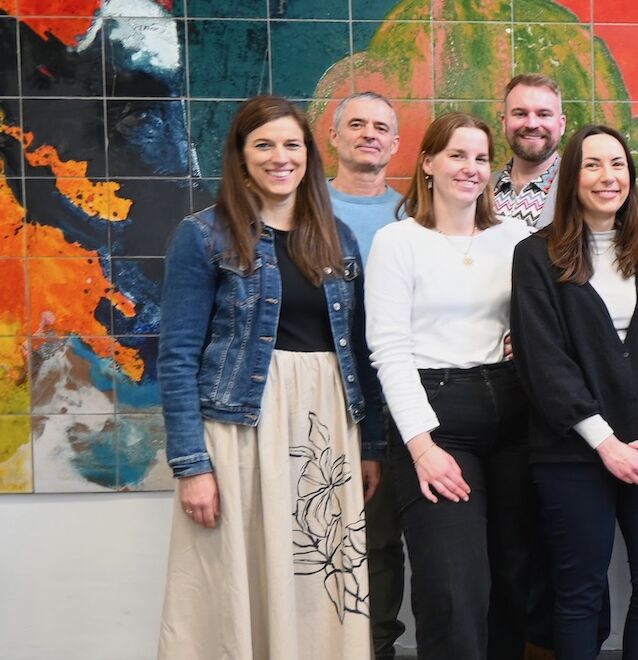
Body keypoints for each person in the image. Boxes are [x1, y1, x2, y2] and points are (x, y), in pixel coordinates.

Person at [157, 94, 383, 660]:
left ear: (308, 154)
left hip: (326, 429)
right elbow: (178, 355)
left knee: (319, 578)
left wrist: (371, 445)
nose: (279, 157)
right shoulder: (203, 235)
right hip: (239, 429)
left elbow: (355, 348)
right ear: (240, 155)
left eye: (291, 144)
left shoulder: (338, 238)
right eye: (263, 144)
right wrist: (192, 466)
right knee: (235, 576)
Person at [364, 112, 535, 660]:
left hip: (513, 413)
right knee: (452, 589)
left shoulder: (514, 237)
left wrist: (523, 340)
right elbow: (388, 351)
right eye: (457, 155)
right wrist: (422, 448)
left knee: (513, 582)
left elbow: (544, 322)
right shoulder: (398, 242)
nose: (471, 168)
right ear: (428, 163)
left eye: (482, 157)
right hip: (437, 420)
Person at [511, 125, 638, 660]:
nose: (608, 177)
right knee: (580, 591)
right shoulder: (535, 257)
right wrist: (603, 442)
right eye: (592, 165)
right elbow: (544, 362)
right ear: (571, 178)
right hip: (573, 453)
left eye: (617, 165)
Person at [324, 90, 409, 660]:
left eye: (381, 126)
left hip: (399, 396)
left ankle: (377, 646)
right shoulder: (304, 210)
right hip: (324, 389)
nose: (368, 134)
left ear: (397, 144)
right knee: (317, 531)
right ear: (333, 136)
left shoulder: (412, 216)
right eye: (356, 124)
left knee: (380, 539)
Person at [495, 73, 568, 231]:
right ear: (504, 123)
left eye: (543, 114)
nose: (532, 124)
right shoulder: (479, 189)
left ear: (561, 125)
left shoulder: (580, 189)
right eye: (520, 114)